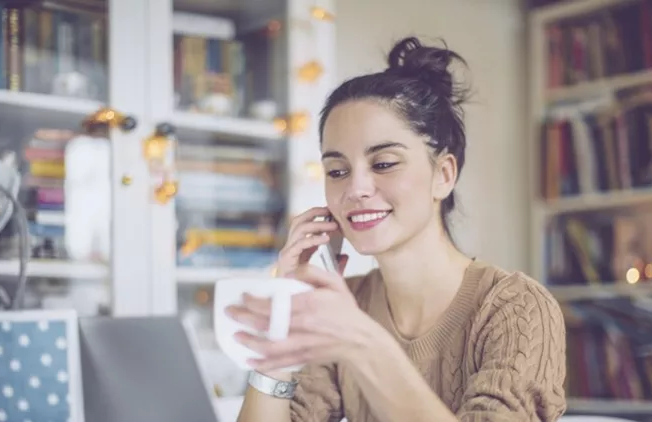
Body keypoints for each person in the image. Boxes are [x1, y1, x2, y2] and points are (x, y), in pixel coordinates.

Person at [225, 36, 567, 422]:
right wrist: (280, 339)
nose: (355, 189)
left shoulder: (515, 307)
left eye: (384, 163)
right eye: (337, 171)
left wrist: (365, 344)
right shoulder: (345, 305)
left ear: (443, 174)